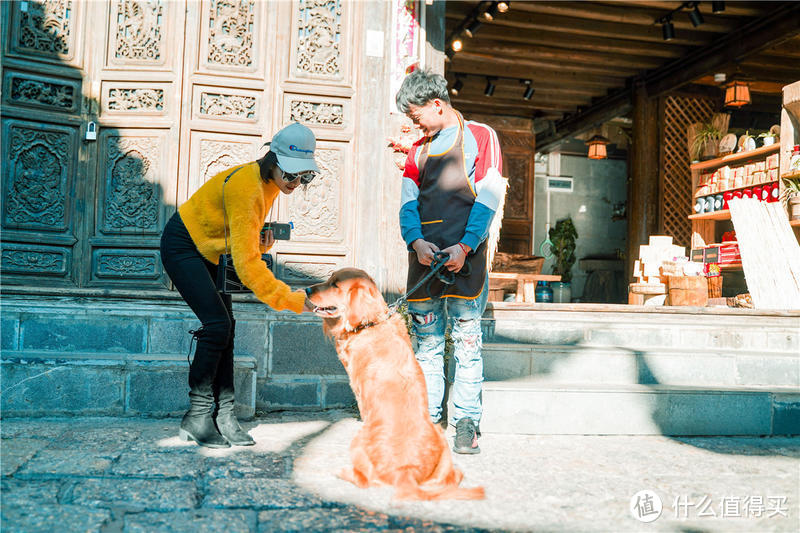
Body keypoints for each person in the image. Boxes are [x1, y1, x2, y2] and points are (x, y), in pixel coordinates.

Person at [159, 122, 318, 448]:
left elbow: (239, 242)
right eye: (290, 174)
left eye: (304, 176)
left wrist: (260, 244)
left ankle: (225, 416)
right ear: (272, 161)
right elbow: (247, 267)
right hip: (183, 245)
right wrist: (291, 299)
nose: (295, 183)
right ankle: (198, 416)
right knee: (217, 325)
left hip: (211, 250)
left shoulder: (269, 185)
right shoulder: (248, 186)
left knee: (226, 326)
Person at [396, 69, 504, 455]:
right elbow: (408, 204)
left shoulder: (481, 136)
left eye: (415, 115)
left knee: (467, 345)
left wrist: (466, 246)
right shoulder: (416, 151)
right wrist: (416, 242)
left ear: (436, 104)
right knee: (426, 344)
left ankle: (466, 423)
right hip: (424, 260)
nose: (414, 124)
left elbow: (489, 195)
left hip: (466, 261)